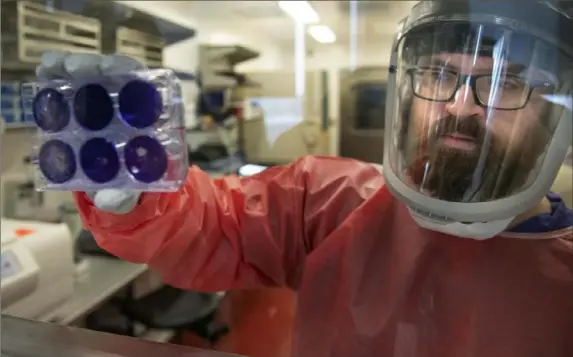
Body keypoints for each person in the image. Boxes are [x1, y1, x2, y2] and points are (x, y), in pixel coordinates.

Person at [38, 1, 572, 356]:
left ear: (556, 109)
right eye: (439, 75)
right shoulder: (336, 202)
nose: (460, 105)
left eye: (506, 84)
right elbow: (216, 223)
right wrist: (142, 188)